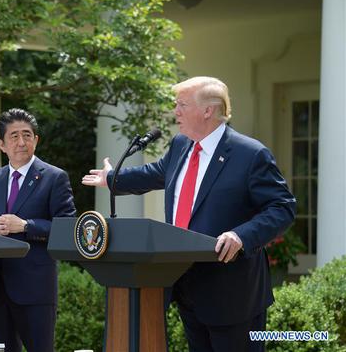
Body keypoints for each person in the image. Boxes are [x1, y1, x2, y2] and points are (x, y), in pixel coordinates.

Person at [82, 76, 296, 352]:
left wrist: (240, 236)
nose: (175, 111)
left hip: (232, 294)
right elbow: (154, 174)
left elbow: (283, 208)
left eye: (182, 104)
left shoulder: (250, 154)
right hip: (186, 286)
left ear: (208, 110)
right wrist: (112, 178)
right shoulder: (181, 146)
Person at [0, 108, 76, 352]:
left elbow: (68, 228)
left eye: (27, 135)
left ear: (36, 140)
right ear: (1, 144)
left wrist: (25, 226)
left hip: (35, 288)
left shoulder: (54, 177)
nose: (21, 142)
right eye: (14, 136)